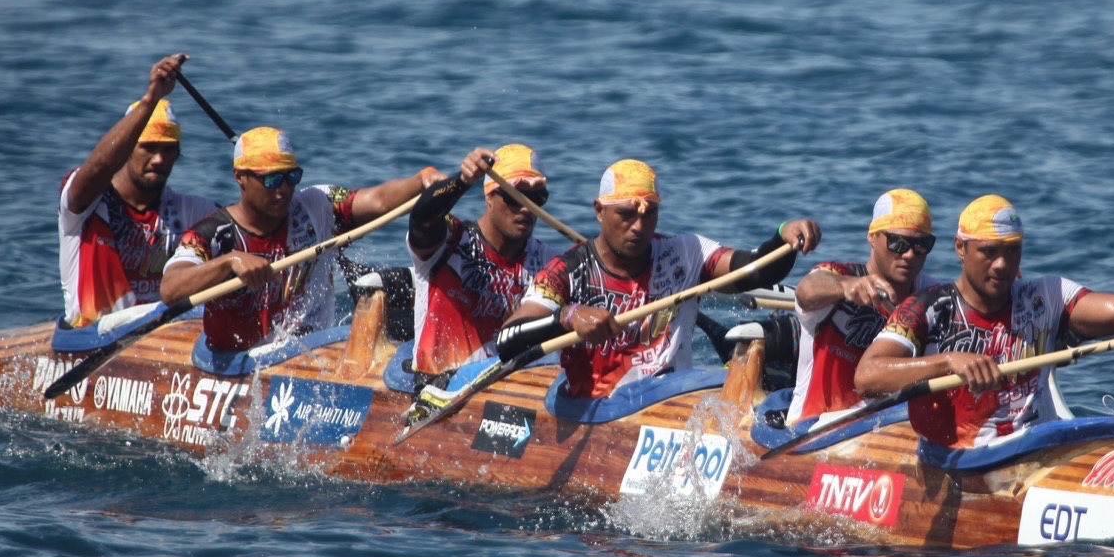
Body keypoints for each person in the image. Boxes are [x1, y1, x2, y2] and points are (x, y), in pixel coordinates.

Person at [853, 194, 1114, 449]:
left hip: (1038, 449)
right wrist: (948, 362)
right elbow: (868, 377)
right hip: (961, 458)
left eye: (1012, 251)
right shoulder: (927, 307)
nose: (1002, 264)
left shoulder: (1045, 297)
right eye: (989, 252)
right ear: (960, 248)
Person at [495, 159, 820, 399]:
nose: (638, 226)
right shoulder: (565, 272)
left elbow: (757, 270)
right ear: (599, 211)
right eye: (625, 214)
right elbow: (507, 340)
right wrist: (569, 316)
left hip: (674, 400)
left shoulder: (685, 253)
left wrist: (782, 238)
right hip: (601, 412)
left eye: (648, 213)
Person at [160, 127, 441, 352]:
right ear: (240, 177)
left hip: (310, 354)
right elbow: (170, 290)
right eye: (271, 180)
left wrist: (421, 179)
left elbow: (378, 201)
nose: (283, 190)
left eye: (291, 176)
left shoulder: (315, 205)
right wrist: (229, 262)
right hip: (239, 362)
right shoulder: (213, 234)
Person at [58, 54, 217, 327]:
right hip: (93, 338)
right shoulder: (86, 202)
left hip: (163, 344)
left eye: (168, 149)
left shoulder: (193, 212)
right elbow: (100, 166)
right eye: (148, 147)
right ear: (127, 149)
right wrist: (151, 99)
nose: (159, 159)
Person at [786, 188, 942, 425]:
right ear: (872, 236)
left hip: (887, 428)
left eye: (921, 245)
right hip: (815, 428)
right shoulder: (840, 275)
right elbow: (806, 290)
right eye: (898, 243)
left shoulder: (928, 293)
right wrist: (845, 286)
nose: (909, 255)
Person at [405, 143, 556, 386]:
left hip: (504, 391)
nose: (526, 208)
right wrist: (462, 181)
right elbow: (422, 220)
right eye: (515, 196)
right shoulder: (450, 240)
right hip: (437, 390)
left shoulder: (547, 262)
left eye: (536, 198)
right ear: (489, 195)